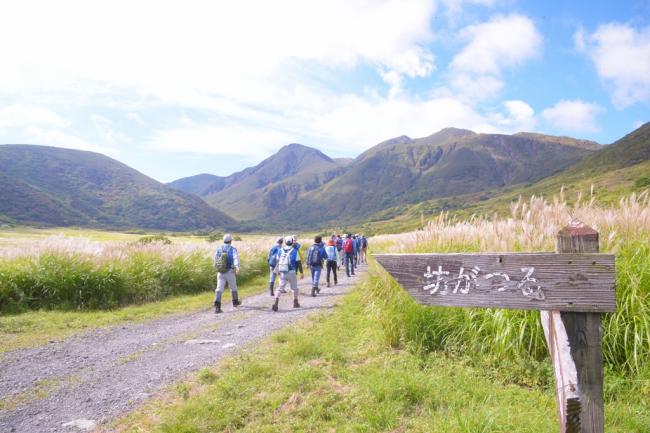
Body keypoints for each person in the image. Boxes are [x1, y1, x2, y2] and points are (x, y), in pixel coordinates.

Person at [213, 233, 241, 314]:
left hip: (220, 271)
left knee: (219, 288)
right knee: (233, 287)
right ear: (230, 241)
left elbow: (215, 259)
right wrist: (237, 267)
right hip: (230, 271)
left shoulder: (219, 248)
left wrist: (216, 268)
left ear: (224, 240)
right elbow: (236, 257)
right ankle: (235, 302)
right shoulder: (233, 249)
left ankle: (217, 307)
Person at [272, 236, 301, 311]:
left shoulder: (280, 250)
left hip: (282, 272)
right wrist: (300, 272)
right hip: (292, 271)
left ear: (285, 242)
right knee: (294, 288)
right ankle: (295, 302)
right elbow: (298, 262)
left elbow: (278, 260)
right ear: (292, 242)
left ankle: (276, 302)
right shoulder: (295, 250)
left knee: (280, 288)